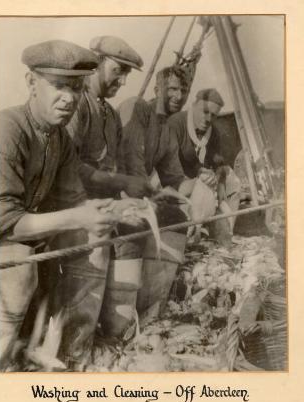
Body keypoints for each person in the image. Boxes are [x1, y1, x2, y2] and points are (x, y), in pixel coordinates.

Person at [0, 40, 118, 371]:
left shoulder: (59, 138)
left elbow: (73, 200)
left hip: (20, 235)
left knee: (94, 241)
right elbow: (4, 222)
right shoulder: (7, 128)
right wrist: (78, 216)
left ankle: (71, 355)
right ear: (31, 83)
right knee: (19, 265)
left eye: (76, 88)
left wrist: (104, 213)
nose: (69, 98)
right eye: (59, 86)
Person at [117, 66, 196, 324]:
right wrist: (151, 196)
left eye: (183, 90)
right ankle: (121, 315)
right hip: (115, 191)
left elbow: (175, 177)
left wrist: (195, 196)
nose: (179, 95)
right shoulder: (138, 108)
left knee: (177, 219)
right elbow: (132, 161)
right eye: (172, 88)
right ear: (157, 89)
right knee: (137, 227)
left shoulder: (168, 130)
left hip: (141, 196)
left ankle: (152, 308)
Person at [67, 35, 153, 199]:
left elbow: (121, 170)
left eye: (127, 74)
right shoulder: (76, 104)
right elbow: (67, 166)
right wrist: (122, 182)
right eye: (118, 71)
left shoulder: (113, 116)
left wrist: (152, 193)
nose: (123, 82)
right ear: (97, 64)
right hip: (78, 205)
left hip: (108, 205)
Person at [167, 88, 241, 233]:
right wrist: (200, 176)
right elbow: (168, 167)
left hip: (199, 178)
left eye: (213, 115)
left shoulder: (213, 132)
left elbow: (219, 163)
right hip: (174, 180)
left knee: (232, 180)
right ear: (194, 106)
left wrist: (218, 179)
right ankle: (193, 231)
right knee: (201, 184)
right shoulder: (175, 124)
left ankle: (225, 232)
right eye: (205, 112)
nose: (208, 119)